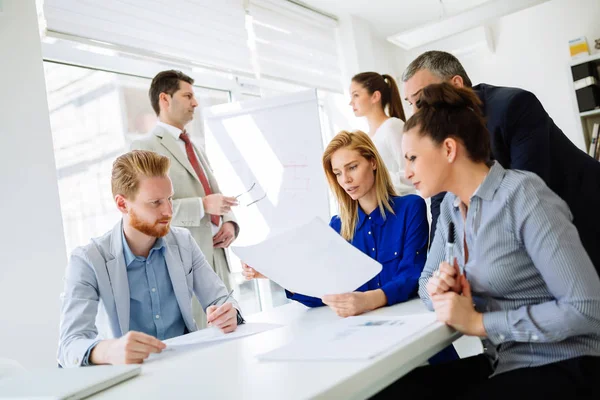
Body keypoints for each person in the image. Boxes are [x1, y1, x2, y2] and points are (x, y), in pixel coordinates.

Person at [374, 83, 600, 399]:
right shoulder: (451, 209)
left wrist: (481, 323)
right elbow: (427, 281)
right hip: (502, 363)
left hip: (565, 363)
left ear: (449, 149)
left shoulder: (523, 195)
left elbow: (587, 308)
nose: (406, 173)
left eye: (412, 158)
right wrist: (442, 290)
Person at [402, 50, 600, 274]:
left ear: (456, 84)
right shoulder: (440, 137)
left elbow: (527, 191)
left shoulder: (513, 106)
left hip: (583, 208)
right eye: (411, 104)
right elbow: (441, 202)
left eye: (420, 100)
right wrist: (439, 268)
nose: (415, 113)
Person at [58, 151, 243, 367]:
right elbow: (69, 345)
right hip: (127, 379)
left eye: (170, 199)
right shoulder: (88, 260)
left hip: (186, 368)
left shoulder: (183, 241)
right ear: (122, 204)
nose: (168, 211)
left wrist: (231, 313)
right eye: (155, 202)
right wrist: (109, 351)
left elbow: (221, 299)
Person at [131, 70, 240, 328]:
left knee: (229, 330)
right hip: (184, 260)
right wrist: (202, 207)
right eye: (188, 95)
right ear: (165, 99)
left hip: (218, 255)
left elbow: (214, 191)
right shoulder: (145, 147)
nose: (195, 103)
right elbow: (145, 211)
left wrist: (229, 223)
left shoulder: (196, 147)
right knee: (198, 339)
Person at [350, 72, 414, 195]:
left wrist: (374, 179)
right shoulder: (366, 137)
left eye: (356, 95)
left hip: (400, 206)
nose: (351, 102)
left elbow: (410, 174)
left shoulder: (392, 126)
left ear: (375, 96)